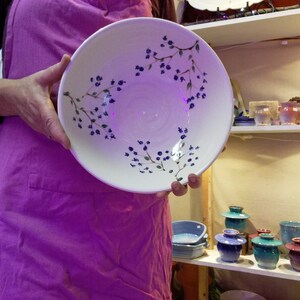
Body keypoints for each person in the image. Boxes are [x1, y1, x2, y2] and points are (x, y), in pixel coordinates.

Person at [0, 1, 200, 299]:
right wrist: (13, 96)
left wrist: (200, 135)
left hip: (134, 227)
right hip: (34, 220)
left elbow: (177, 78)